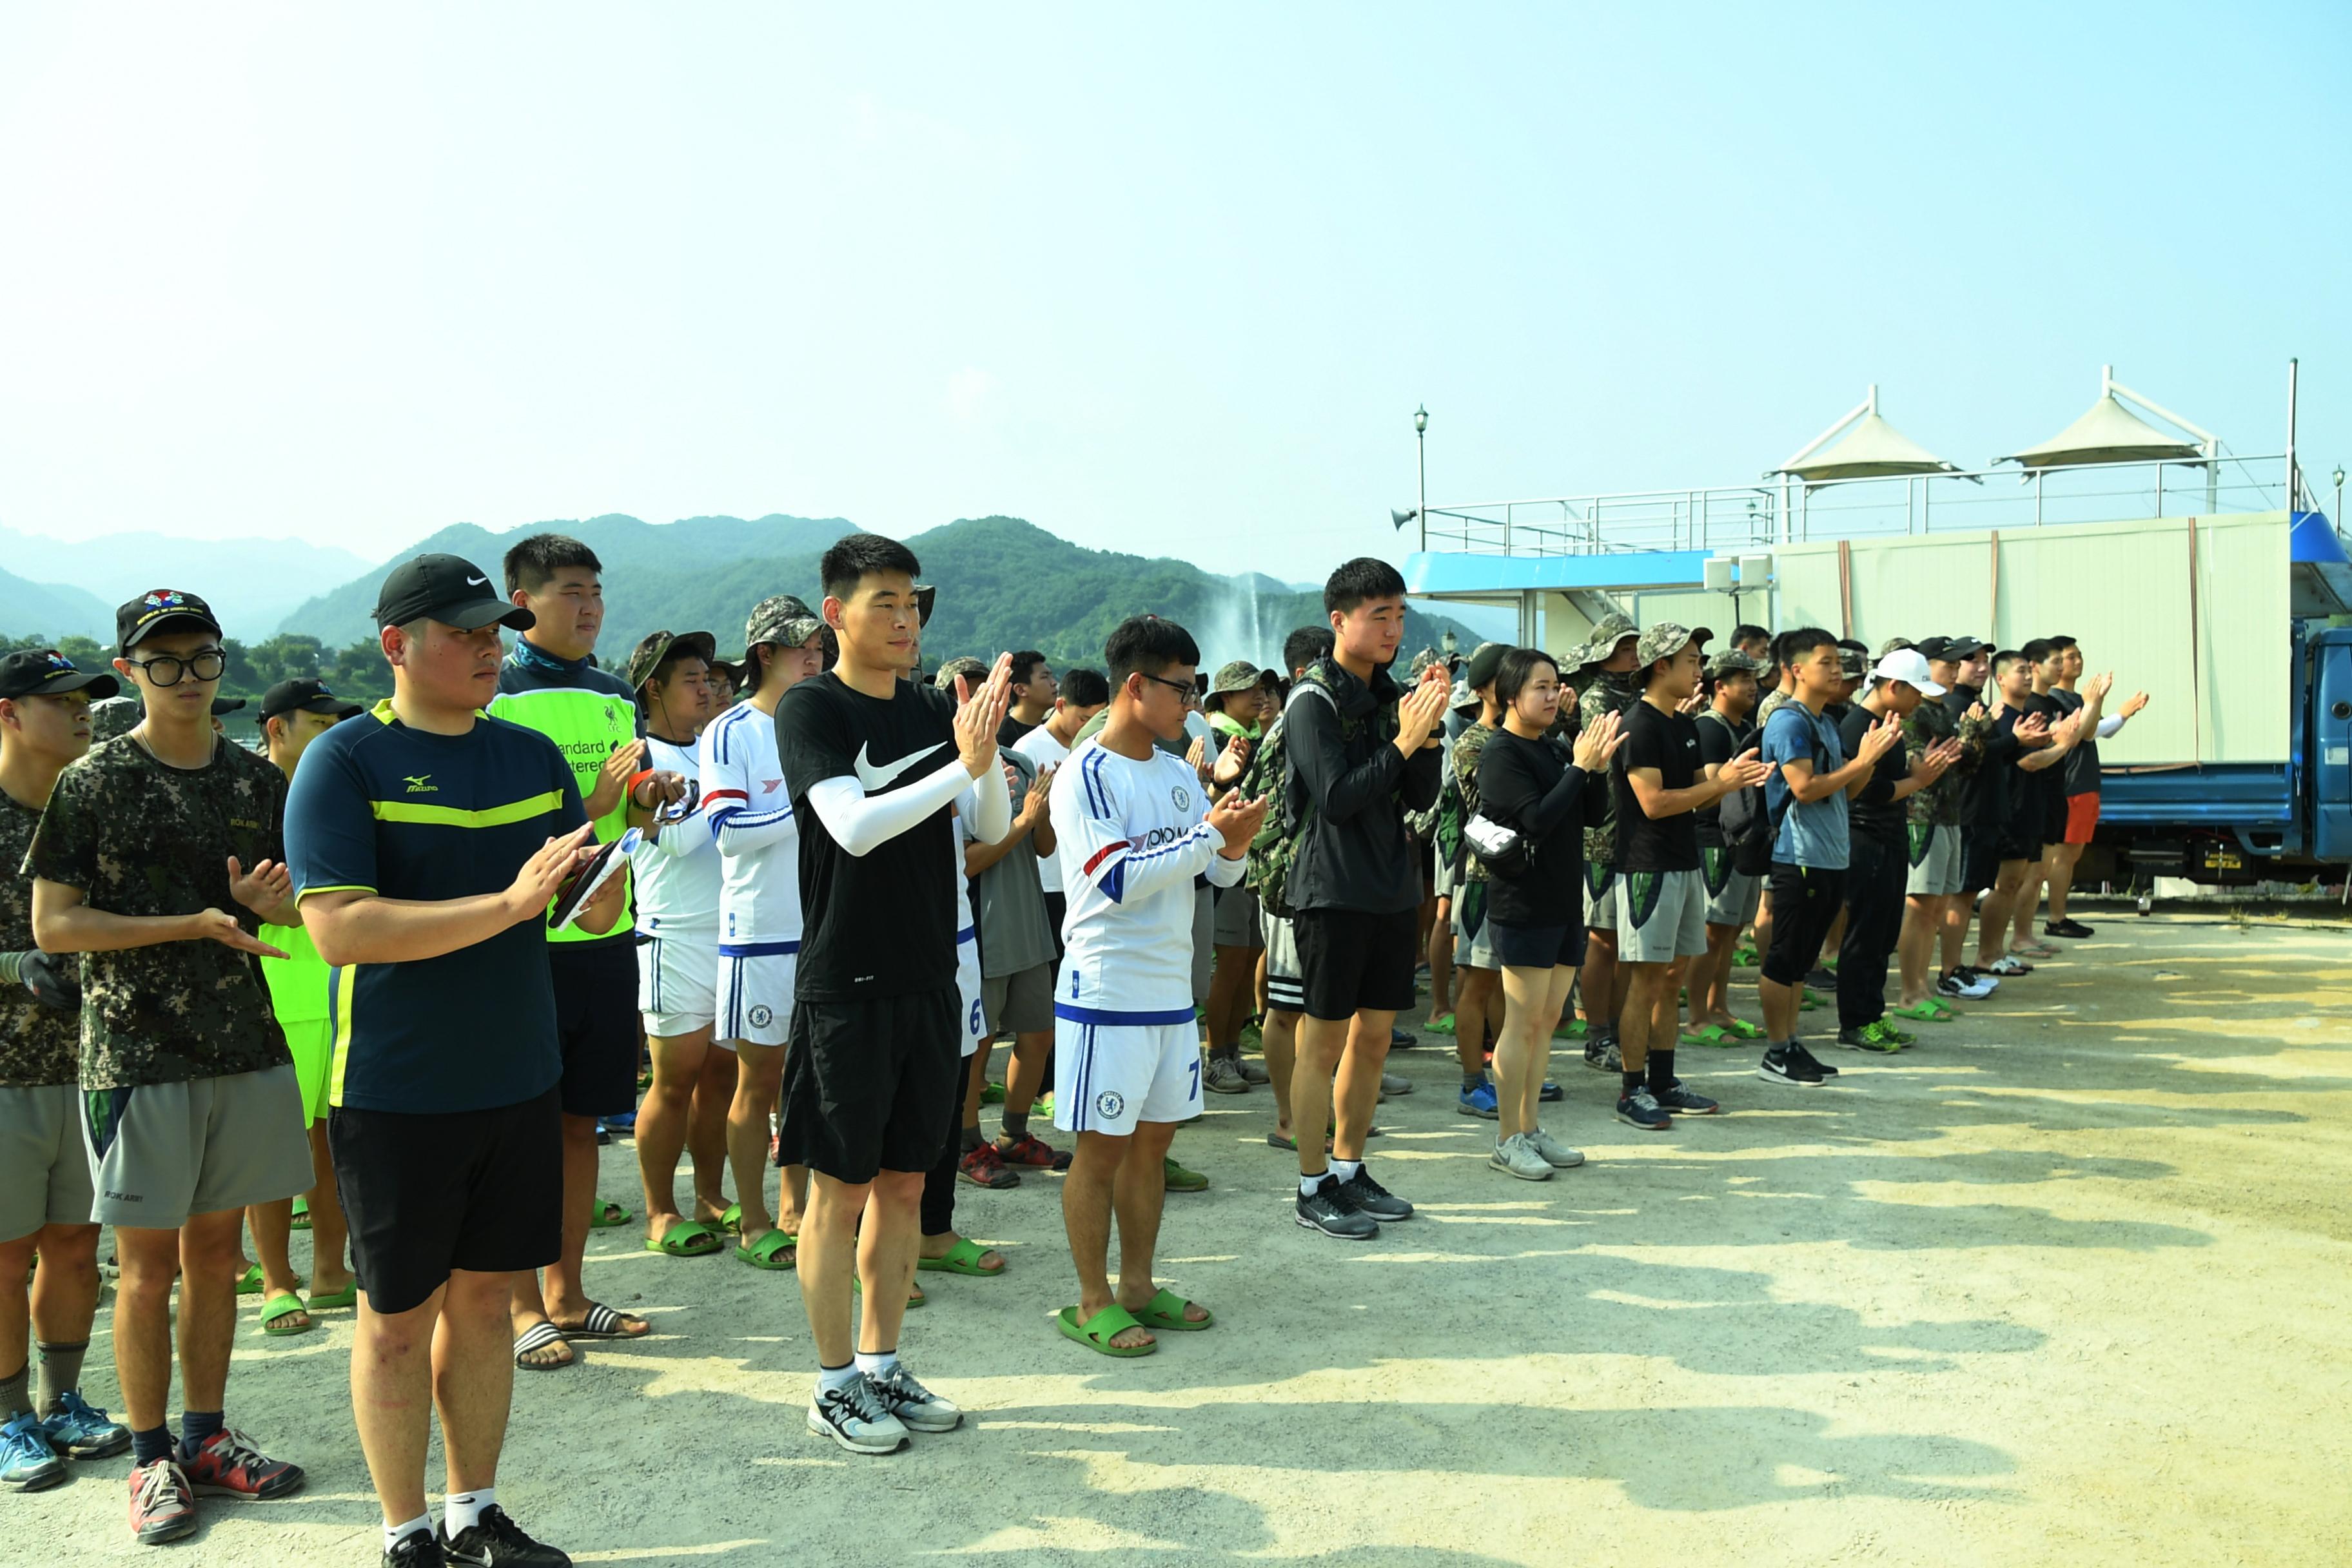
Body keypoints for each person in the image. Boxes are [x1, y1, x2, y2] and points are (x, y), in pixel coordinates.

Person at [289, 553, 623, 1568]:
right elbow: (342, 930)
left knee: (485, 1304)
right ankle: (404, 1534)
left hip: (519, 1077)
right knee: (397, 1319)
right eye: (467, 632)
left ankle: (473, 1511)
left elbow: (569, 900)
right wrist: (512, 908)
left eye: (496, 631)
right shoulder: (343, 762)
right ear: (397, 646)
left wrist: (591, 897)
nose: (491, 645)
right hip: (398, 1087)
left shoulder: (527, 757)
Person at [28, 591, 315, 1544]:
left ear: (221, 664)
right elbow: (53, 925)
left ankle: (206, 1438)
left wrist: (259, 906)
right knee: (146, 1269)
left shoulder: (252, 780)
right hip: (136, 1054)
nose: (185, 677)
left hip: (241, 1044)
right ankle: (151, 1458)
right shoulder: (95, 780)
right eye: (164, 661)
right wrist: (192, 922)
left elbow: (294, 910)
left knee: (218, 1260)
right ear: (128, 670)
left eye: (201, 658)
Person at [774, 533, 1012, 1455]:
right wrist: (963, 761)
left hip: (929, 976)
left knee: (908, 1183)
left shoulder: (924, 709)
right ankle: (832, 1384)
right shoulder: (811, 708)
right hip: (848, 983)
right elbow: (853, 827)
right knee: (840, 1191)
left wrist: (981, 760)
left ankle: (881, 1364)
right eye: (886, 601)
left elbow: (982, 825)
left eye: (914, 601)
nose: (907, 617)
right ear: (836, 614)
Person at [1048, 616, 1264, 1353]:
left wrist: (1232, 842)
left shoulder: (1177, 773)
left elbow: (1216, 873)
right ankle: (1090, 1297)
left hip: (1173, 992)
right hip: (1107, 993)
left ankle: (1138, 1284)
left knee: (1151, 1145)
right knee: (1100, 1150)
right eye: (1182, 685)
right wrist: (1209, 837)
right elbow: (1116, 878)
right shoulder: (1086, 774)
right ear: (1134, 686)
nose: (1191, 700)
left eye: (1196, 685)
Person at [487, 534, 672, 1364]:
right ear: (520, 599)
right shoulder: (499, 692)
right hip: (528, 939)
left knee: (581, 1123)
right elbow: (506, 825)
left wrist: (648, 801)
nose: (589, 604)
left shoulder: (612, 694)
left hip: (606, 928)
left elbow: (627, 820)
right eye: (569, 591)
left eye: (595, 589)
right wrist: (595, 804)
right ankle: (522, 1304)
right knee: (524, 1127)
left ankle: (569, 1291)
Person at [1282, 558, 1447, 1239]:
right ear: (1339, 620)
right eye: (1379, 614)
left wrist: (1428, 732)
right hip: (1330, 887)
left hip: (1388, 884)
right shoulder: (1311, 699)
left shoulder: (1393, 696)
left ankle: (1351, 1167)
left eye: (1400, 614)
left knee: (1374, 1039)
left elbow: (1419, 796)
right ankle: (1311, 1180)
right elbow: (1338, 796)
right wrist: (1406, 739)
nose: (1394, 628)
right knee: (1321, 1042)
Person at [0, 649, 131, 1494]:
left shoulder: (95, 811)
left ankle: (66, 1400)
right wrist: (16, 966)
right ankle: (10, 1418)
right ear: (10, 715)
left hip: (91, 1065)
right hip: (4, 1075)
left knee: (77, 1249)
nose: (84, 713)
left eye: (89, 698)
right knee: (6, 1256)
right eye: (62, 701)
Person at [700, 596, 826, 1272]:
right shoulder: (731, 732)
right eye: (800, 643)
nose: (814, 653)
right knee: (759, 1080)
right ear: (765, 654)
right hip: (759, 935)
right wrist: (806, 805)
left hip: (821, 931)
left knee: (808, 1081)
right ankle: (751, 1218)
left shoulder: (824, 721)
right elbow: (729, 831)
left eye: (818, 642)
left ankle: (795, 1206)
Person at [1612, 624, 1769, 1129]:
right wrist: (1718, 784)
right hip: (1647, 867)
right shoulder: (1641, 724)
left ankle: (1663, 1081)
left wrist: (1729, 777)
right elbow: (1654, 803)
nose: (1700, 670)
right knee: (1646, 981)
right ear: (1662, 667)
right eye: (1691, 661)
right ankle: (1632, 1089)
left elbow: (1696, 784)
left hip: (1681, 862)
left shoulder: (1680, 723)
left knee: (1671, 977)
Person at [1474, 647, 1623, 1177]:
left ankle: (1530, 1127)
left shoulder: (1554, 746)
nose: (1554, 694)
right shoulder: (1502, 753)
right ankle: (1506, 1137)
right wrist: (1579, 767)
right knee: (1520, 1023)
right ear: (1510, 696)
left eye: (1556, 685)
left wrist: (1595, 768)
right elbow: (1535, 820)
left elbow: (1588, 814)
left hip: (1563, 901)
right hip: (1524, 905)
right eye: (1540, 686)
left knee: (1545, 1024)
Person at [253, 678, 368, 1335]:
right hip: (278, 985)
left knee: (334, 1140)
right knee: (276, 1145)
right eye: (318, 722)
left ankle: (331, 1269)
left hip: (342, 980)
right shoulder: (248, 792)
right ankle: (276, 1280)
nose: (334, 731)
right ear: (277, 729)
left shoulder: (341, 783)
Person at [620, 631, 738, 1260]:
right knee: (674, 1079)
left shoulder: (719, 750)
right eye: (690, 678)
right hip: (674, 934)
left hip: (733, 933)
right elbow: (674, 842)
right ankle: (660, 1207)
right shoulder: (638, 760)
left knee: (723, 1073)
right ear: (653, 689)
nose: (706, 687)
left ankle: (710, 1194)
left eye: (708, 677)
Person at [1752, 627, 1904, 1088]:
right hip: (1798, 855)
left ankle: (1793, 1043)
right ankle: (1776, 1052)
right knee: (1785, 958)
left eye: (1839, 661)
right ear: (1796, 670)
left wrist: (1869, 758)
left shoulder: (1825, 721)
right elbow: (1803, 788)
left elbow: (1851, 789)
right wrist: (1860, 763)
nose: (1838, 669)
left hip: (1830, 856)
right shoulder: (1789, 721)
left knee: (1803, 960)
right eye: (1826, 661)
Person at [1834, 649, 1961, 1051]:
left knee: (1882, 933)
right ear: (1893, 687)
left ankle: (1872, 1014)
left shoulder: (1888, 724)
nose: (1920, 701)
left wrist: (1915, 771)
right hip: (1865, 839)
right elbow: (1866, 792)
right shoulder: (1860, 727)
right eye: (1916, 692)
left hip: (1888, 837)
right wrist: (1918, 781)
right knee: (1865, 935)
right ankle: (1854, 1023)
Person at [1244, 627, 1333, 1152]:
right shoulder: (1287, 730)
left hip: (1322, 883)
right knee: (1286, 1006)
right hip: (1289, 884)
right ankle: (1287, 1117)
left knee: (1320, 1009)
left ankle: (1313, 1109)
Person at [1973, 651, 2084, 976]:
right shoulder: (2002, 718)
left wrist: (2057, 739)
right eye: (2019, 671)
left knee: (2017, 881)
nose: (2025, 676)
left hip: (2030, 808)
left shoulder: (2027, 715)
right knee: (2005, 884)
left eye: (2027, 671)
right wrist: (2063, 744)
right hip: (2009, 811)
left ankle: (1999, 951)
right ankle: (1986, 955)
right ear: (2001, 679)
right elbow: (2027, 762)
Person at [2041, 636, 2148, 939]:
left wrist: (2123, 713)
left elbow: (2103, 732)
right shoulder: (2057, 700)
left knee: (2071, 856)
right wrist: (2113, 708)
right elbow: (2087, 733)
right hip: (2071, 785)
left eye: (2079, 655)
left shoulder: (2077, 699)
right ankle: (2056, 918)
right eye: (2070, 657)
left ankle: (2058, 916)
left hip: (2085, 785)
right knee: (2063, 856)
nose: (2078, 661)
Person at [1686, 649, 1768, 1045]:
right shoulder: (1710, 729)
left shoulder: (1745, 725)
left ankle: (1719, 1008)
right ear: (1720, 686)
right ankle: (1697, 1017)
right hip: (1714, 841)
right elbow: (1715, 789)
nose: (1753, 686)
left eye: (1755, 679)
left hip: (1743, 839)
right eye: (1744, 679)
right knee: (1712, 932)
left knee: (1731, 932)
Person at [1444, 642, 1511, 1117]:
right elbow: (1490, 809)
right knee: (1478, 982)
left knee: (1510, 985)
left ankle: (1510, 1070)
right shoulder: (1474, 742)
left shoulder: (1532, 737)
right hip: (1486, 878)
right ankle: (1473, 1081)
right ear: (1488, 689)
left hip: (1523, 882)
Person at [1573, 613, 1641, 1069]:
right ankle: (1598, 1033)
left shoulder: (1634, 694)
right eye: (1625, 648)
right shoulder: (1596, 698)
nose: (1634, 654)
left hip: (1637, 832)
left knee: (1625, 941)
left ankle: (1618, 1027)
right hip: (1603, 832)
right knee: (1602, 938)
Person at [1201, 660, 1272, 1094]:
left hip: (1255, 862)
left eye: (1262, 688)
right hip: (1230, 865)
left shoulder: (1253, 738)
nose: (1259, 695)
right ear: (1225, 697)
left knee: (1247, 960)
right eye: (1248, 689)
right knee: (1229, 964)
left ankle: (1232, 1052)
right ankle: (1215, 1057)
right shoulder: (1221, 739)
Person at [999, 652, 1057, 748]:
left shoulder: (1051, 729)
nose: (1054, 683)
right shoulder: (1003, 736)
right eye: (1045, 677)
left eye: (1051, 676)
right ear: (1021, 690)